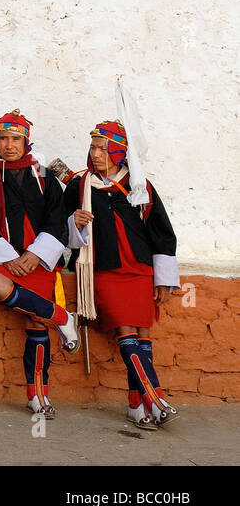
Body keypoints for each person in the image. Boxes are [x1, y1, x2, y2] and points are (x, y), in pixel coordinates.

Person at [64, 120, 180, 429]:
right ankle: (155, 398)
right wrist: (73, 221)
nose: (96, 153)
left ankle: (135, 405)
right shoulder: (80, 184)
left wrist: (162, 278)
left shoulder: (139, 184)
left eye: (103, 148)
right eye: (93, 147)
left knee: (143, 336)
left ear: (118, 151)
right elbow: (59, 227)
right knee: (126, 331)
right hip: (104, 270)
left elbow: (161, 232)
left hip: (140, 269)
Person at [0, 109, 79, 420]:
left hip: (37, 258)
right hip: (1, 259)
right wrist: (9, 258)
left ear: (26, 142)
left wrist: (35, 255)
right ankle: (62, 317)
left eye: (16, 139)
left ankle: (36, 395)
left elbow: (57, 218)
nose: (9, 145)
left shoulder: (43, 176)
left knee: (35, 322)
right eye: (3, 138)